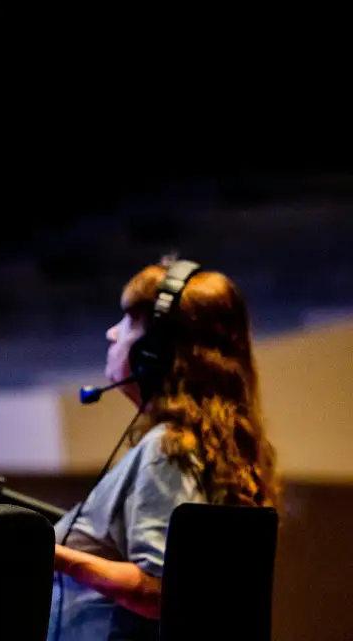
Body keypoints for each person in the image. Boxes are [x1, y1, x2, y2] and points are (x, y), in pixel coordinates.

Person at [49, 263, 282, 640]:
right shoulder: (201, 447)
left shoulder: (168, 449)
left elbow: (159, 590)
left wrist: (46, 554)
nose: (112, 332)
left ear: (154, 353)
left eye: (128, 321)